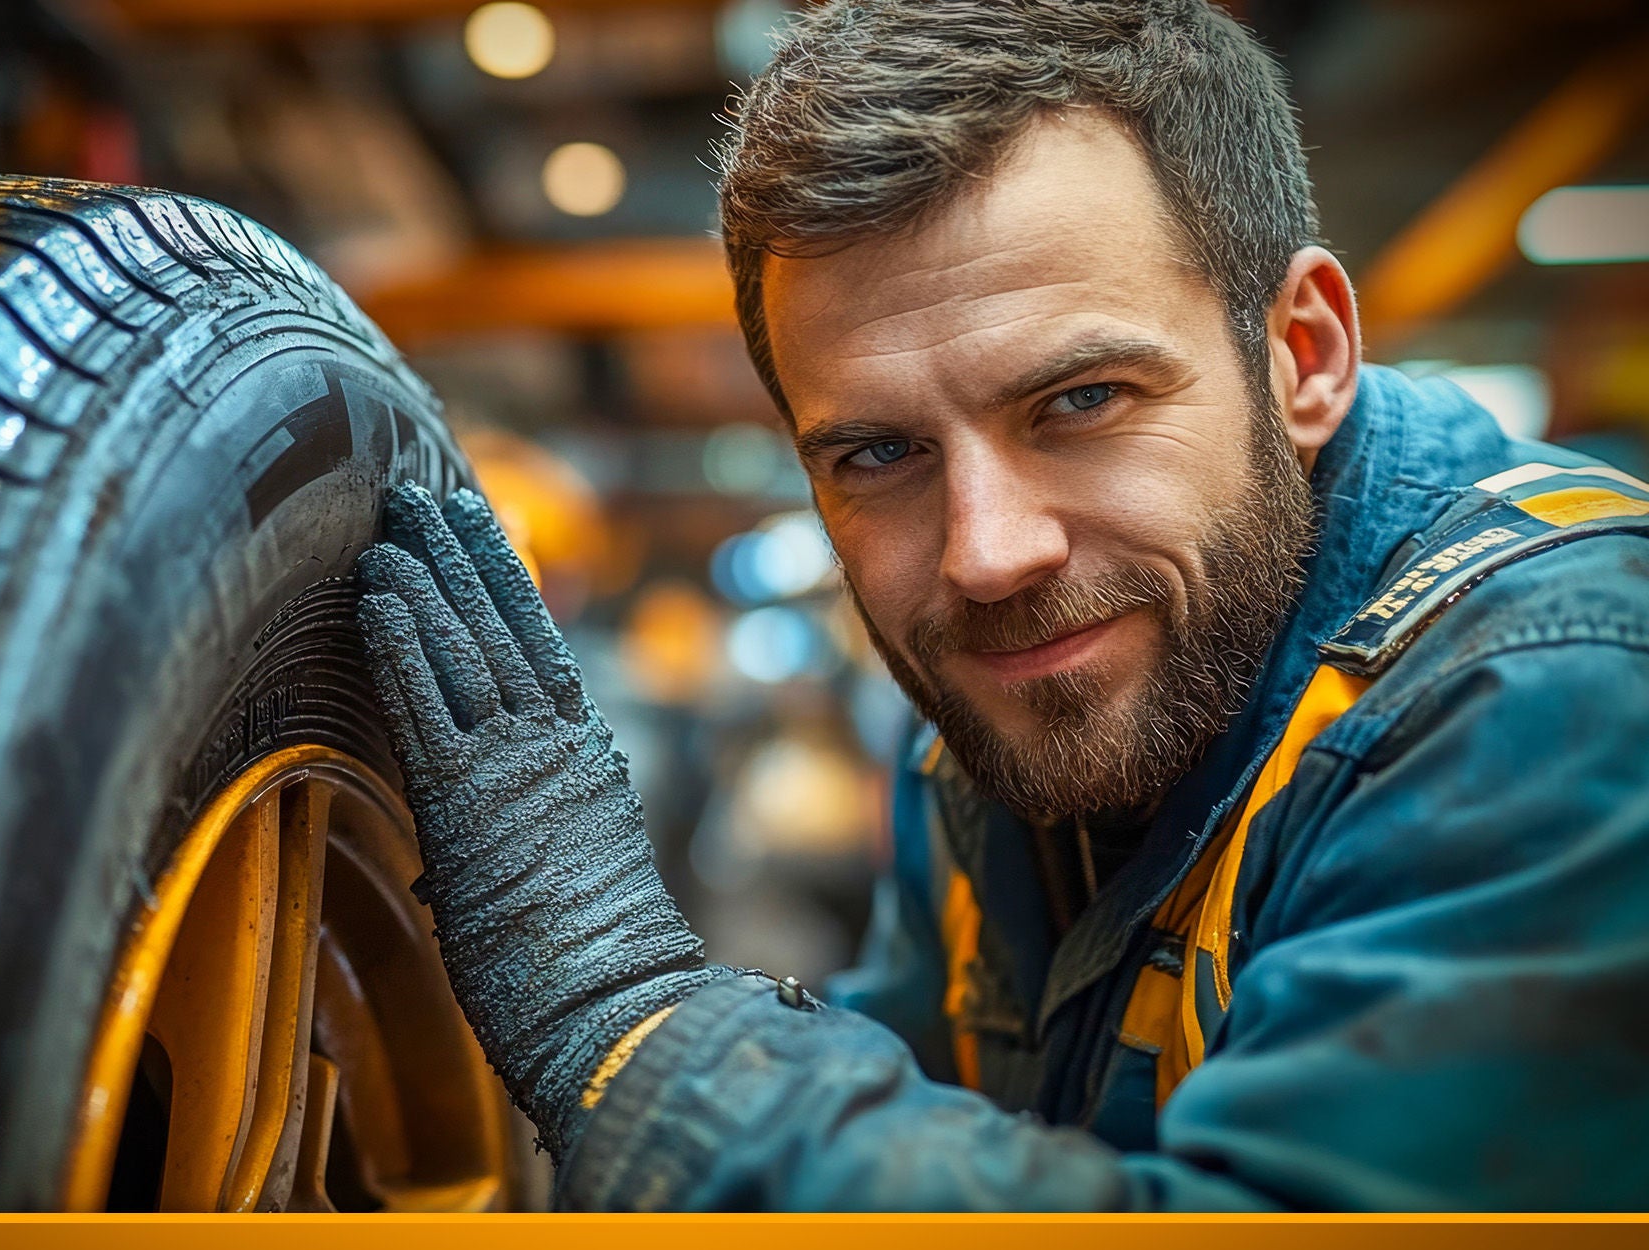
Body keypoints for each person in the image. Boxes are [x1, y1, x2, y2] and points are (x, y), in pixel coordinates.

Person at [354, 0, 1649, 1211]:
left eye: (1080, 402)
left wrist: (630, 1022)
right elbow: (951, 1107)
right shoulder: (996, 717)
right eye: (877, 454)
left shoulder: (1558, 690)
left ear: (1302, 355)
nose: (987, 556)